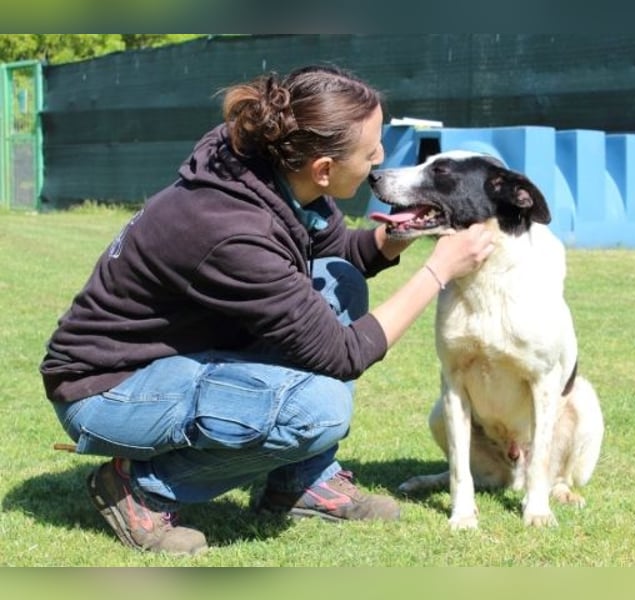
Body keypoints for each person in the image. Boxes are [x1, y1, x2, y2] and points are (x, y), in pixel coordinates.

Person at [40, 64, 495, 555]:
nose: (381, 159)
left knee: (338, 280)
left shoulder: (273, 162)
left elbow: (344, 252)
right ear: (324, 168)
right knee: (315, 412)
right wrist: (438, 270)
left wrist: (410, 226)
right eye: (371, 152)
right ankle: (139, 487)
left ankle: (299, 482)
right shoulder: (232, 232)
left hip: (172, 359)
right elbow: (345, 354)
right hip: (108, 390)